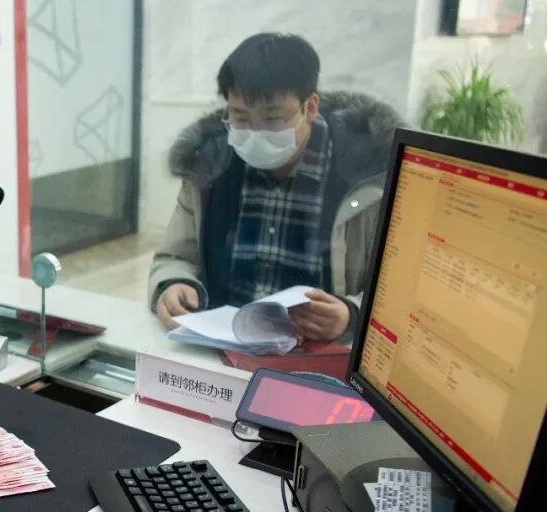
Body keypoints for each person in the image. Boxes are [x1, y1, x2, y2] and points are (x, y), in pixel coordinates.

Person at [149, 33, 403, 342]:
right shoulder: (209, 166)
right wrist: (173, 284)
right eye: (240, 117)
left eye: (272, 119)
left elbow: (400, 291)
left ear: (310, 107)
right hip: (222, 347)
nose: (255, 133)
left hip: (318, 354)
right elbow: (175, 257)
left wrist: (351, 315)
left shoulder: (369, 178)